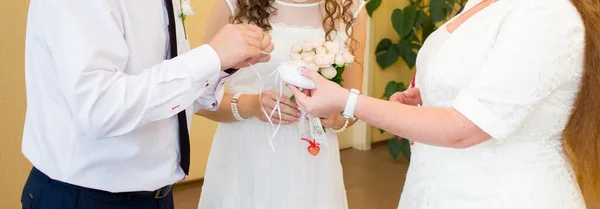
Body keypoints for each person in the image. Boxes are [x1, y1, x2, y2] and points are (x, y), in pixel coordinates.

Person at [289, 0, 600, 208]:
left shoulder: (546, 12)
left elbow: (463, 130)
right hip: (433, 188)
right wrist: (427, 101)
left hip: (500, 194)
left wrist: (347, 101)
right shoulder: (478, 3)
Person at [20, 0, 273, 208]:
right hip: (86, 197)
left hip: (157, 196)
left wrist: (219, 66)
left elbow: (169, 95)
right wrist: (209, 57)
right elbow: (100, 109)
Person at [196, 0, 366, 208]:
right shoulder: (236, 4)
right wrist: (252, 105)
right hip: (246, 157)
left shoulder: (350, 8)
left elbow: (352, 106)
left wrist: (335, 119)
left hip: (311, 162)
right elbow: (198, 99)